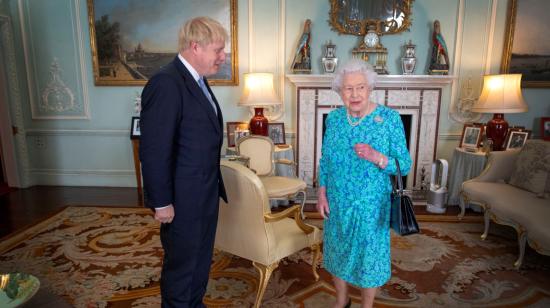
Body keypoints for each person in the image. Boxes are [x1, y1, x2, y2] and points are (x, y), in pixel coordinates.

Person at [139, 16, 228, 307]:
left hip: (203, 195)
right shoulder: (165, 83)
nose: (223, 56)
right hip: (182, 199)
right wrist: (161, 201)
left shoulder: (197, 80)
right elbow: (154, 150)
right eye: (218, 49)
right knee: (181, 270)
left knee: (199, 264)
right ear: (195, 47)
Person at [316, 59, 412, 308]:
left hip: (371, 203)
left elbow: (405, 163)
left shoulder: (389, 119)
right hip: (337, 201)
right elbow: (325, 160)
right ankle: (342, 299)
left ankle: (366, 306)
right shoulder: (334, 119)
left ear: (370, 88)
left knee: (369, 257)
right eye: (348, 88)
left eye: (360, 87)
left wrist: (376, 156)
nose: (355, 94)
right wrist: (322, 193)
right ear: (340, 91)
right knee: (337, 250)